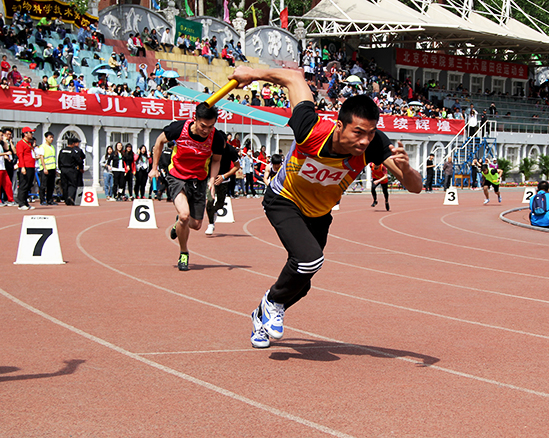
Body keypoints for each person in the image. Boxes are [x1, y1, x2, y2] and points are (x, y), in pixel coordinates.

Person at [228, 66, 422, 348]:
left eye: (370, 133)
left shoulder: (374, 145)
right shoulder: (310, 128)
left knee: (302, 283)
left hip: (319, 214)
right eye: (358, 132)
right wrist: (252, 74)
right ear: (340, 126)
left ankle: (262, 314)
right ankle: (272, 302)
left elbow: (415, 187)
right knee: (309, 260)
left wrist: (407, 169)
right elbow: (293, 77)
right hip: (285, 199)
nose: (364, 141)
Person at [149, 103, 224, 271]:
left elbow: (216, 160)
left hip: (199, 179)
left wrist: (212, 180)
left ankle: (179, 224)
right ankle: (184, 252)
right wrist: (154, 168)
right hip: (177, 175)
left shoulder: (217, 138)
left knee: (196, 224)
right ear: (195, 118)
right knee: (184, 215)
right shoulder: (179, 128)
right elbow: (159, 141)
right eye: (203, 126)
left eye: (211, 126)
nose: (206, 130)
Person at [205, 140, 240, 235]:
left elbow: (237, 166)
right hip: (211, 178)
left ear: (225, 142)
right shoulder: (210, 147)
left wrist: (224, 176)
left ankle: (214, 211)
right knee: (210, 200)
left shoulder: (231, 150)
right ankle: (211, 224)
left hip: (224, 179)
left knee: (220, 204)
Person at [58, 137, 85, 205]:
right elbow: (79, 160)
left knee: (64, 185)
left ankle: (66, 199)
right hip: (71, 169)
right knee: (72, 184)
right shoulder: (73, 151)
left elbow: (59, 160)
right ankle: (70, 196)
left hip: (63, 169)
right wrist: (81, 167)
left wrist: (60, 168)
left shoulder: (62, 151)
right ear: (73, 144)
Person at [16, 126, 37, 210]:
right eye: (30, 132)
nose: (32, 134)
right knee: (23, 185)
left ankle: (25, 202)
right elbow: (20, 155)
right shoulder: (21, 143)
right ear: (25, 134)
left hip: (31, 166)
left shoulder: (29, 143)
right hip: (25, 166)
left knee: (28, 185)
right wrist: (22, 167)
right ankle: (21, 203)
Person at [36, 131, 57, 205]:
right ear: (46, 138)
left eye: (52, 137)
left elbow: (53, 158)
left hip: (52, 168)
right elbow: (42, 158)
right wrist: (44, 168)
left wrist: (55, 168)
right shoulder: (42, 147)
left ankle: (50, 199)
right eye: (50, 137)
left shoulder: (52, 147)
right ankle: (42, 200)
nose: (52, 139)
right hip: (45, 168)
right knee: (43, 185)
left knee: (51, 185)